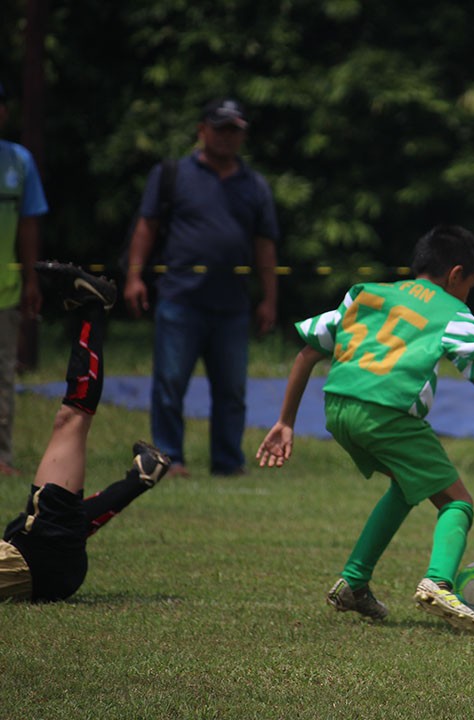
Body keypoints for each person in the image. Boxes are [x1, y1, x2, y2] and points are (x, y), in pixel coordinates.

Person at [256, 225, 474, 633]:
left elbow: (307, 353)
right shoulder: (452, 311)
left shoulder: (366, 294)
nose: (467, 295)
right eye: (470, 286)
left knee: (407, 485)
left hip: (339, 408)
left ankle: (353, 582)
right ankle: (438, 583)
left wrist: (285, 422)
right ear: (456, 275)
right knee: (458, 502)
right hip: (389, 416)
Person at [123, 98, 279, 478]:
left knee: (232, 390)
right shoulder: (172, 174)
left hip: (232, 304)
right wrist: (134, 277)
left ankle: (228, 461)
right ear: (202, 130)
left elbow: (265, 244)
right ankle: (169, 459)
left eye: (234, 131)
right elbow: (147, 226)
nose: (227, 137)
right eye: (220, 128)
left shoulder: (254, 184)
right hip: (180, 298)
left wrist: (270, 298)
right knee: (169, 384)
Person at [0, 261, 171, 603]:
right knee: (72, 421)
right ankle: (92, 307)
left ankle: (141, 478)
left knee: (69, 428)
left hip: (36, 556)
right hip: (39, 557)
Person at [0, 81, 46, 476]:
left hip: (5, 292)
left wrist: (32, 280)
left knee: (2, 378)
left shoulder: (19, 161)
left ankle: (1, 457)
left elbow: (29, 223)